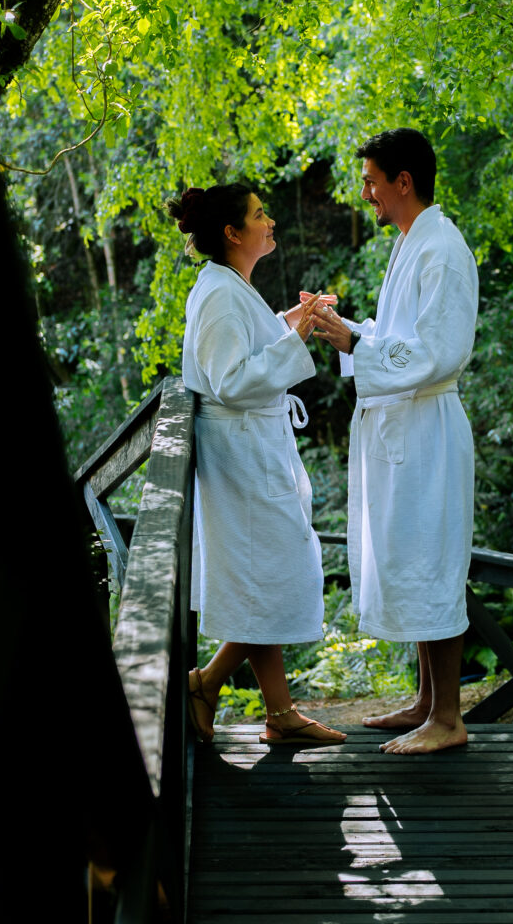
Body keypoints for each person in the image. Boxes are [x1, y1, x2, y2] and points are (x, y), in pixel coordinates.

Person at [313, 130, 478, 755]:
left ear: (402, 182)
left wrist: (358, 345)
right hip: (401, 428)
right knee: (410, 556)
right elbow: (395, 337)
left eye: (372, 181)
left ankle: (449, 718)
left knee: (433, 562)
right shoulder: (413, 242)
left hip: (428, 430)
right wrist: (344, 329)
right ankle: (425, 702)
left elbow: (438, 352)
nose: (366, 193)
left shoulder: (443, 248)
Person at [170, 181, 346, 748]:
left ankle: (280, 712)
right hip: (241, 460)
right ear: (232, 232)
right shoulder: (219, 293)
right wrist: (294, 333)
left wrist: (294, 317)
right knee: (270, 576)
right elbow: (231, 379)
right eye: (259, 213)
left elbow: (246, 345)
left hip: (252, 453)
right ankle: (205, 682)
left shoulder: (229, 286)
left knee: (260, 581)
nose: (269, 220)